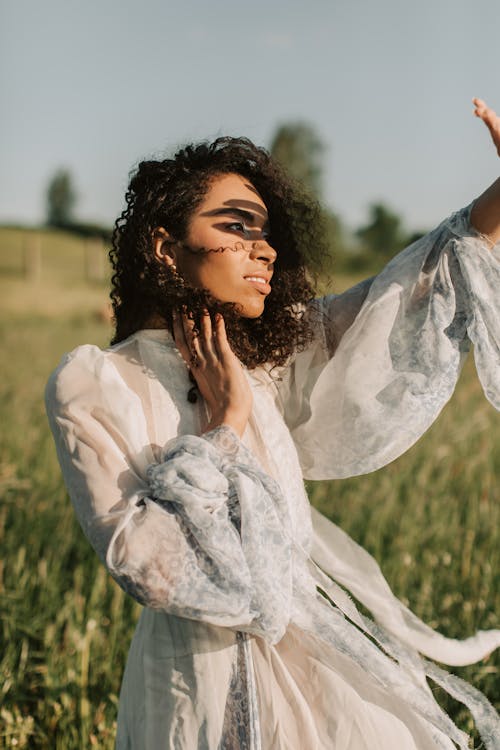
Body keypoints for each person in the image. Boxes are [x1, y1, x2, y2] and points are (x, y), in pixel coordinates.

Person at [45, 98, 500, 750]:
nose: (265, 250)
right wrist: (225, 426)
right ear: (165, 247)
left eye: (267, 232)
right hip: (195, 689)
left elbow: (406, 290)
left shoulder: (268, 357)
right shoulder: (95, 382)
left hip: (319, 679)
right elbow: (146, 564)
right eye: (238, 226)